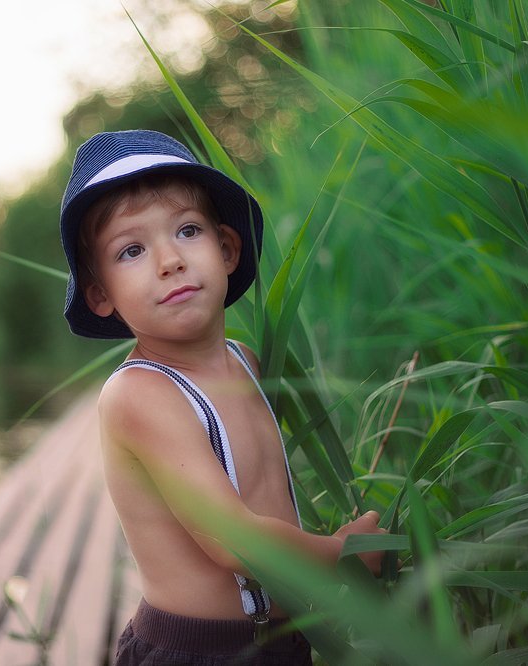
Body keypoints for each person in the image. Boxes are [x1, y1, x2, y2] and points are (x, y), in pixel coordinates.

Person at [59, 129, 386, 665]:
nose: (169, 260)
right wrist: (340, 555)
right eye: (132, 250)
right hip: (198, 651)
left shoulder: (246, 362)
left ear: (227, 248)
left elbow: (264, 492)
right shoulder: (140, 394)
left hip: (284, 640)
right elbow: (234, 538)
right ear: (101, 295)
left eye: (187, 230)